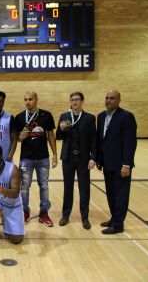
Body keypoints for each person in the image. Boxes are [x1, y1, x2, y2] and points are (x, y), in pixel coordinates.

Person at [14, 91, 57, 227]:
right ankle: (25, 211)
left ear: (36, 99)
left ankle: (43, 213)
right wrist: (21, 137)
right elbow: (16, 138)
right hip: (26, 158)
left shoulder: (46, 115)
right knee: (25, 187)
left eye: (30, 99)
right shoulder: (20, 117)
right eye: (25, 99)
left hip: (43, 158)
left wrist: (55, 154)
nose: (28, 102)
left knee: (44, 186)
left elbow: (50, 135)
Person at [97, 90, 137, 234]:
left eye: (112, 98)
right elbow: (101, 140)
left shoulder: (126, 117)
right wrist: (99, 160)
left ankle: (118, 224)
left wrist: (127, 164)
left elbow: (130, 142)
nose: (109, 100)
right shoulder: (101, 117)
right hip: (107, 163)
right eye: (107, 98)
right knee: (111, 193)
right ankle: (114, 218)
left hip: (121, 165)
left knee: (121, 195)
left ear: (119, 100)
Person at [56, 92, 97, 230]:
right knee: (68, 187)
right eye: (72, 100)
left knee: (84, 188)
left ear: (82, 101)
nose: (74, 102)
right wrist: (61, 129)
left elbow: (93, 139)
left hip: (83, 158)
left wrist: (93, 157)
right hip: (68, 157)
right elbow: (58, 136)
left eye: (77, 100)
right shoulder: (64, 116)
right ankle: (65, 215)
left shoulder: (89, 118)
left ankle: (85, 217)